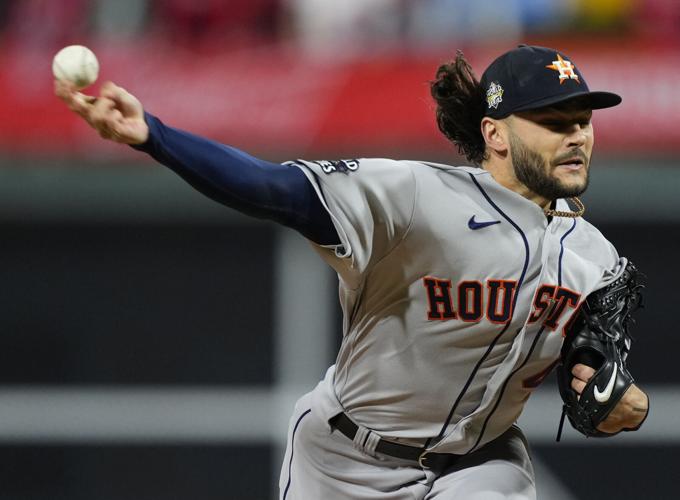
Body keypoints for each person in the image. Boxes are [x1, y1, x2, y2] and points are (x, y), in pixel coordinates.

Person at [55, 44, 649, 500]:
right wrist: (152, 135)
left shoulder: (594, 258)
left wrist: (624, 401)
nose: (576, 136)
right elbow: (275, 188)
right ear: (493, 133)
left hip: (479, 468)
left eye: (582, 121)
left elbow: (595, 374)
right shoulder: (418, 197)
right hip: (343, 460)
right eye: (553, 121)